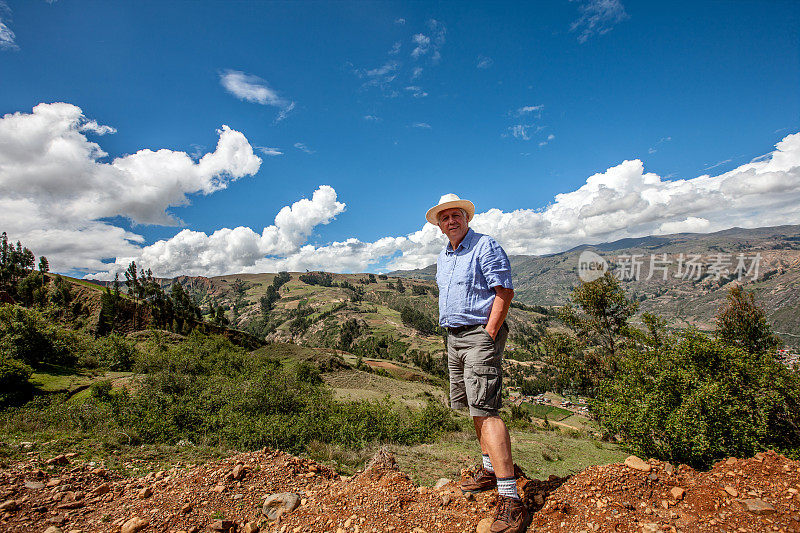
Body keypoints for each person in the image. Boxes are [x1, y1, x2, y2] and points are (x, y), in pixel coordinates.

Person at [427, 193, 530, 533]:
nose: (451, 221)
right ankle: (489, 470)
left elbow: (505, 291)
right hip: (454, 338)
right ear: (440, 225)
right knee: (473, 406)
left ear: (466, 218)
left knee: (486, 409)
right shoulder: (444, 255)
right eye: (445, 218)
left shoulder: (485, 246)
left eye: (456, 215)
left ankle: (510, 498)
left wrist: (489, 334)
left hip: (479, 336)